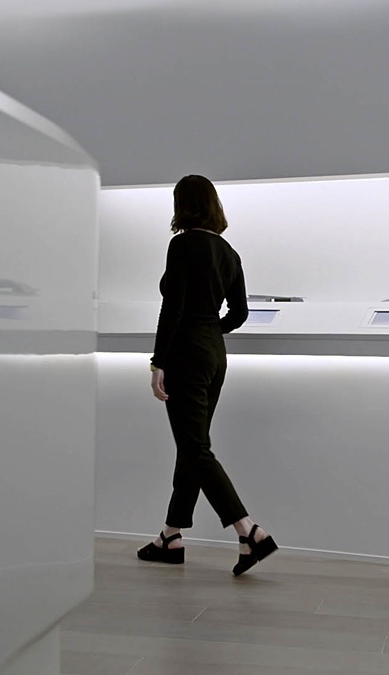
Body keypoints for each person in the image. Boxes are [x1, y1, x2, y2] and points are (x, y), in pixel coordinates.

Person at [137, 174, 278, 576]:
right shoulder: (229, 252)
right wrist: (211, 331)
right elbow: (239, 313)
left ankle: (248, 530)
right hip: (215, 353)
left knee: (196, 448)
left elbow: (173, 309)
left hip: (185, 353)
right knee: (192, 445)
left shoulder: (181, 245)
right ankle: (171, 536)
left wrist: (157, 361)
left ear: (182, 205)